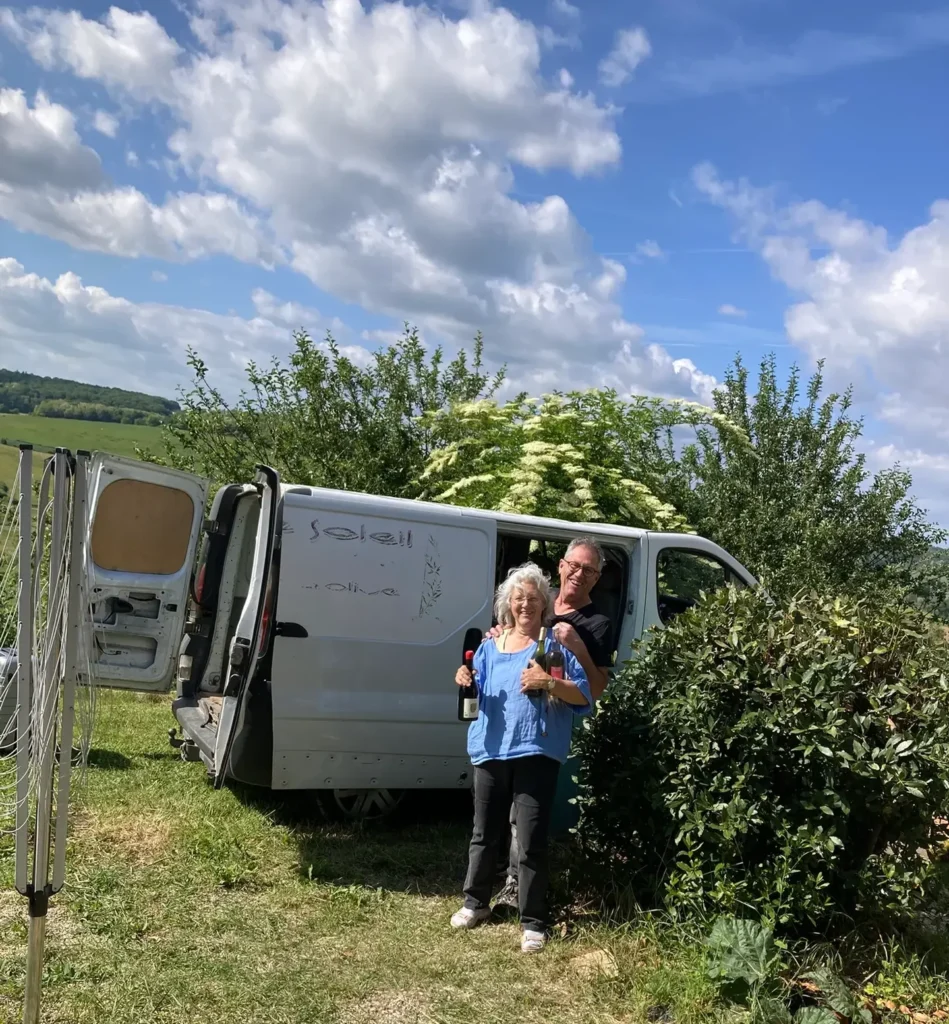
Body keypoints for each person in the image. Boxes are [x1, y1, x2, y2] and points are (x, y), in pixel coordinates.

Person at [451, 562, 591, 953]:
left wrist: (549, 682)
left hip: (536, 752)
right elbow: (475, 687)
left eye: (532, 598)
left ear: (544, 604)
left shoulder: (553, 648)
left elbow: (583, 697)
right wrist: (463, 677)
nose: (525, 604)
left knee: (530, 841)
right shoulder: (488, 647)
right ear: (507, 605)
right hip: (490, 750)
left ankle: (533, 922)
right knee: (484, 834)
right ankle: (475, 903)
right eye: (518, 598)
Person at [492, 537, 614, 911]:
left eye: (589, 570)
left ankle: (518, 887)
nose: (579, 574)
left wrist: (577, 646)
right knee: (505, 805)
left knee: (530, 810)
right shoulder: (537, 603)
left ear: (597, 578)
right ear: (561, 566)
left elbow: (597, 688)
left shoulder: (598, 624)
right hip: (512, 721)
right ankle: (508, 877)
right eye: (574, 565)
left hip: (553, 727)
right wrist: (498, 634)